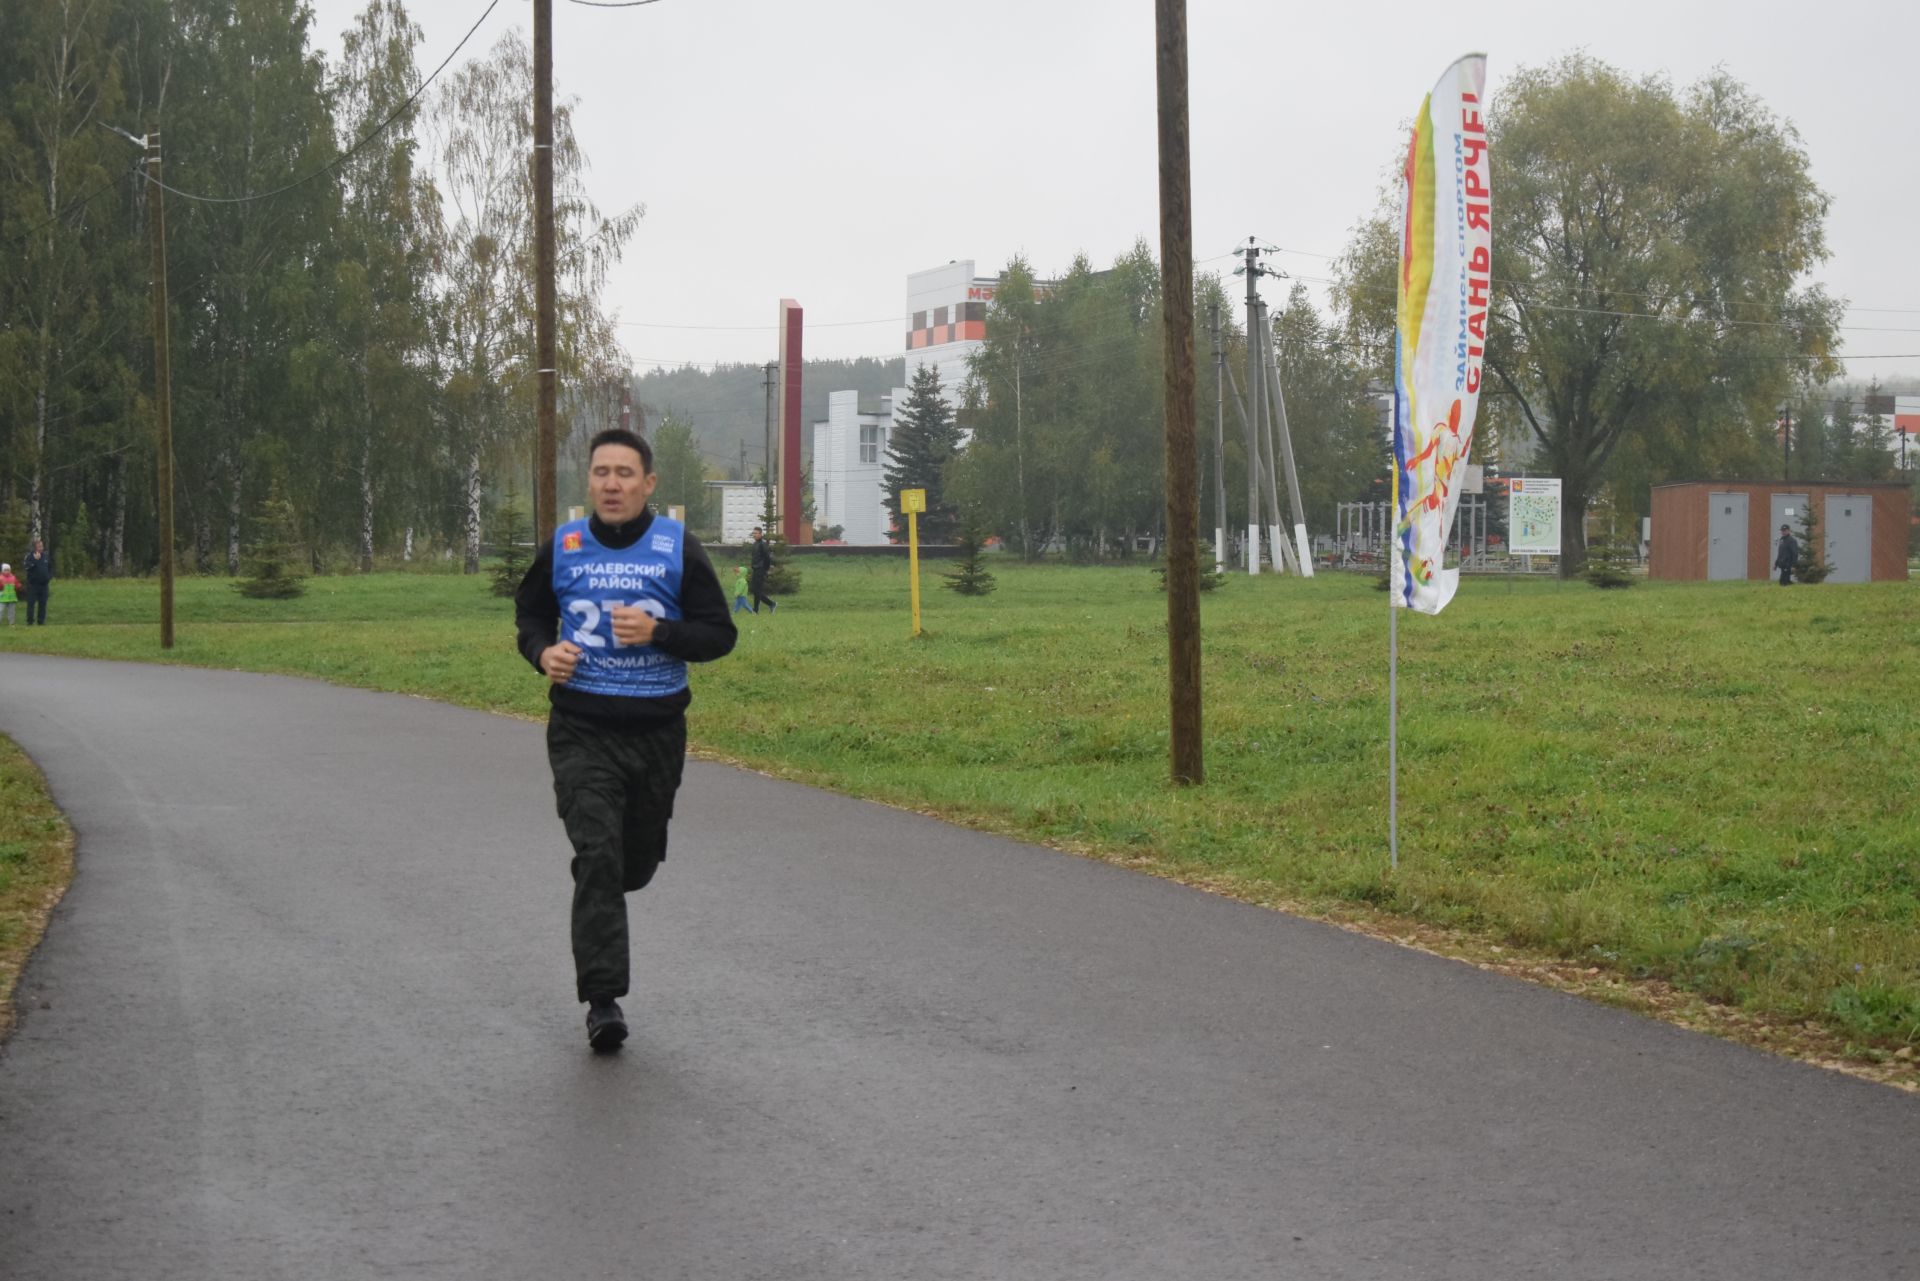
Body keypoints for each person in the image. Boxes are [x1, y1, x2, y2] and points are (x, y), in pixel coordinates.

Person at [514, 428, 737, 1050]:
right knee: (600, 856)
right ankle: (603, 1002)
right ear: (588, 480)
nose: (612, 484)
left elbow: (719, 635)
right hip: (582, 729)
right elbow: (530, 615)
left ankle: (604, 872)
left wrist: (659, 631)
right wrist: (542, 652)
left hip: (657, 732)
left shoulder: (676, 547)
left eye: (625, 473)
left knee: (630, 865)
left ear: (648, 484)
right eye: (601, 472)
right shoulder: (563, 544)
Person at [748, 525, 777, 615]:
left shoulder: (762, 544)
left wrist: (766, 569)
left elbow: (767, 558)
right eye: (754, 533)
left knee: (757, 590)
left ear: (761, 534)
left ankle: (755, 611)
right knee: (754, 589)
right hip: (755, 569)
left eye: (756, 533)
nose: (754, 535)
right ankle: (771, 604)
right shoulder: (755, 544)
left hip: (760, 569)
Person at [22, 540, 51, 625]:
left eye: (42, 546)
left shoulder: (45, 556)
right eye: (39, 546)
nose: (41, 548)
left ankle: (41, 621)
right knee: (31, 603)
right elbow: (27, 567)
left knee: (43, 604)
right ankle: (30, 621)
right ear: (35, 548)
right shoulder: (29, 557)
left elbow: (50, 567)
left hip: (44, 585)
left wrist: (49, 577)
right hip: (33, 585)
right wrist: (35, 560)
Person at [1774, 523, 1798, 587]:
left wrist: (1793, 565)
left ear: (1789, 531)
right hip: (1782, 564)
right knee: (1784, 580)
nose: (1783, 532)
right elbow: (1780, 553)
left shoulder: (1792, 541)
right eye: (1782, 530)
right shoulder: (1782, 540)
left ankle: (1791, 589)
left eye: (1785, 530)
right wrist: (1776, 564)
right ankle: (1791, 588)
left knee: (1783, 581)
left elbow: (1795, 553)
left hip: (1788, 564)